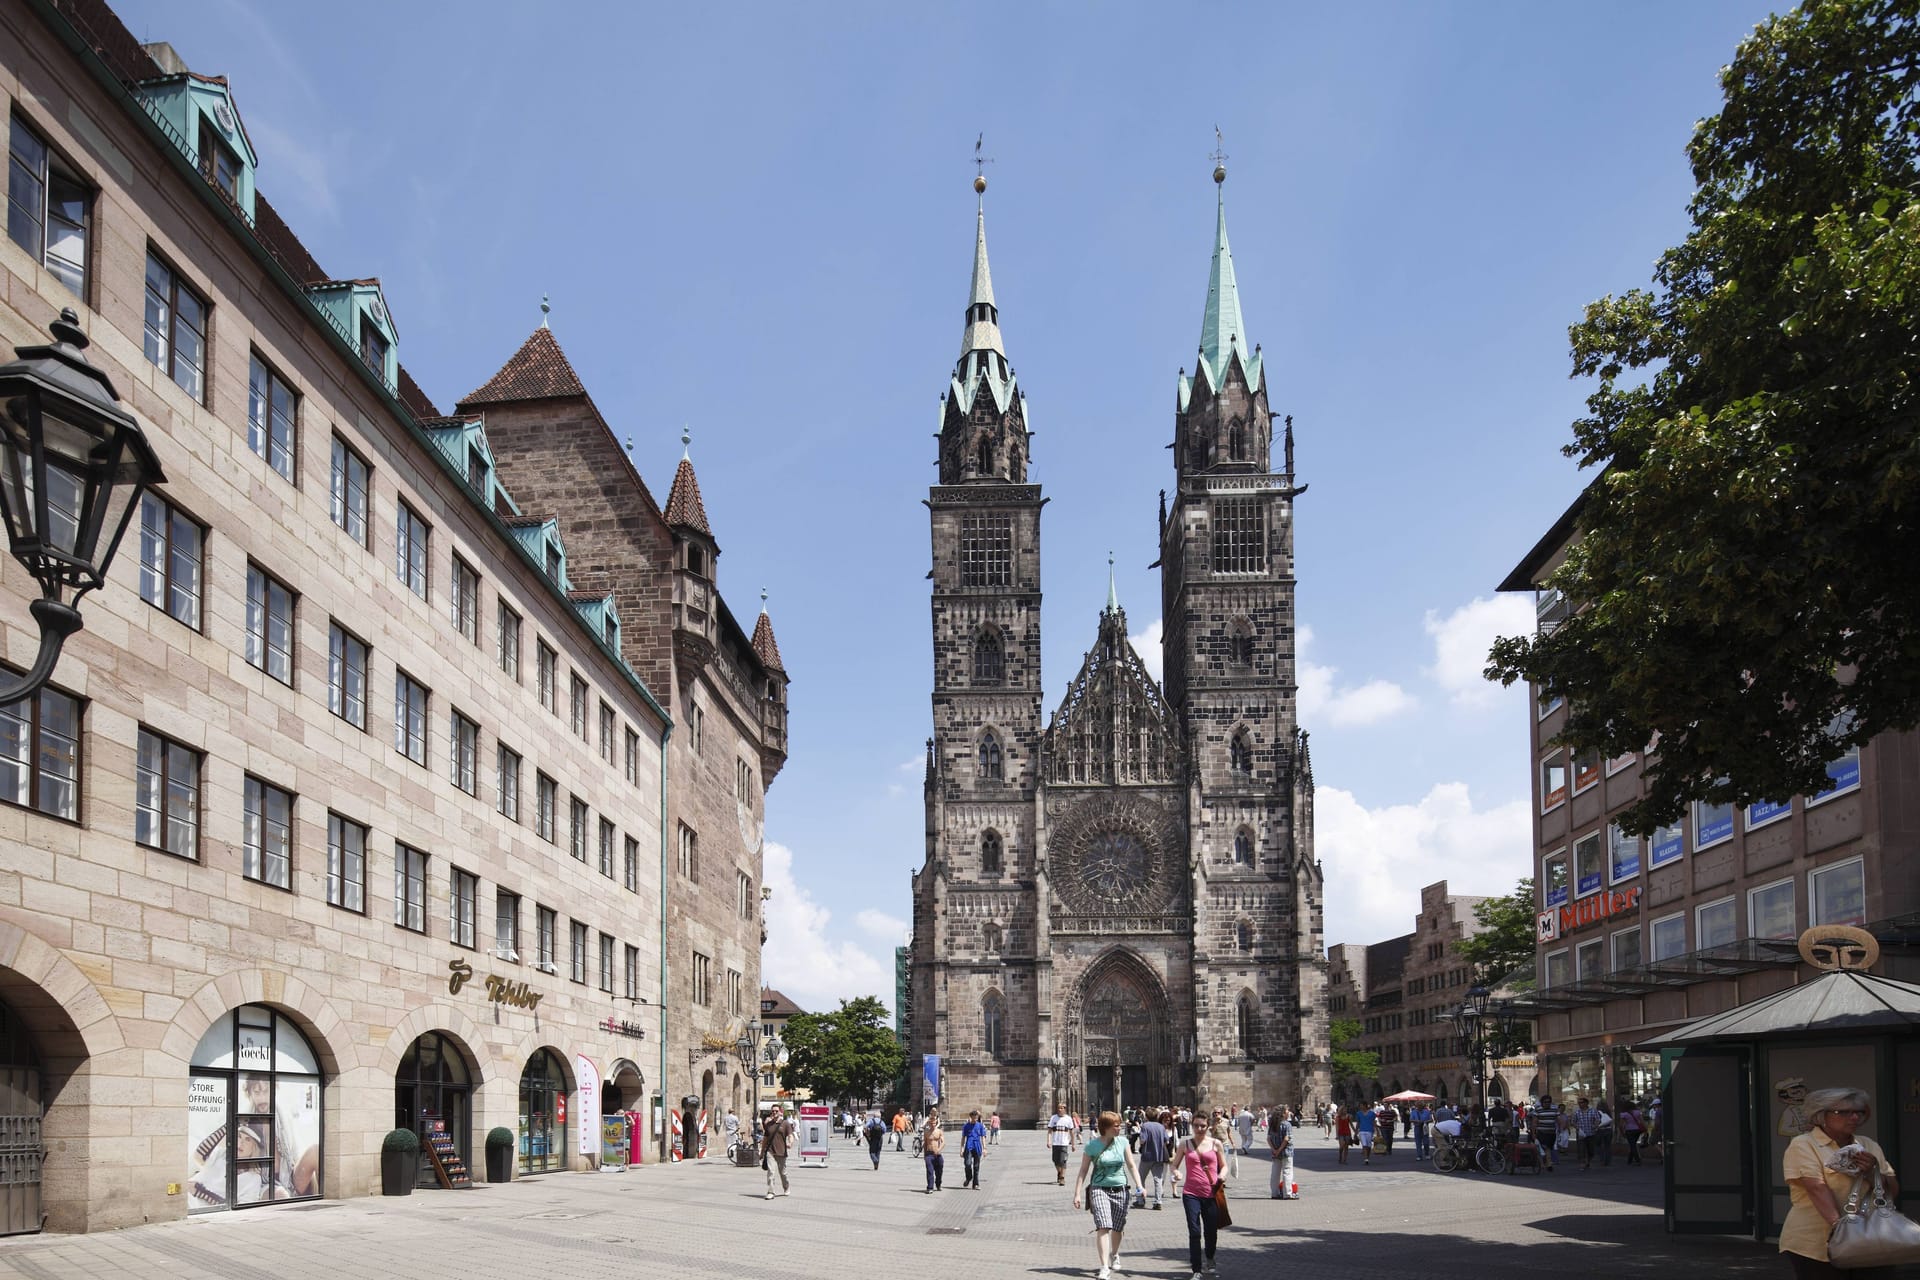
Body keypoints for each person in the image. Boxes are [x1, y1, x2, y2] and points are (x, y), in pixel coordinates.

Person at [1781, 1087, 1901, 1279]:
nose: (1854, 1117)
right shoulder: (1803, 1144)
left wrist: (1872, 1172)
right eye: (1844, 1112)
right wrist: (1842, 1231)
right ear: (1821, 1115)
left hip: (1870, 1241)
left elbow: (1891, 1191)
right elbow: (1816, 1188)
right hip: (1818, 1244)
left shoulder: (1869, 1145)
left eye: (1858, 1112)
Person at [1073, 1111, 1144, 1280]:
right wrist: (1077, 1194)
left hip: (1120, 1189)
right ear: (1106, 1127)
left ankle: (1115, 1253)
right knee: (1103, 1226)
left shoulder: (1123, 1142)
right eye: (1117, 1125)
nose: (1121, 1127)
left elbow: (1132, 1165)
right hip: (1099, 1189)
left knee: (1118, 1227)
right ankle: (1104, 1266)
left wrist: (1140, 1186)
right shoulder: (1092, 1146)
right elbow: (1083, 1171)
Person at [1172, 1109, 1227, 1278]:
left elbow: (1224, 1165)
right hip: (1191, 1193)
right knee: (1194, 1231)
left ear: (1208, 1126)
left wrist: (1221, 1176)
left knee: (1210, 1231)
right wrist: (1177, 1173)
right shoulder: (1185, 1144)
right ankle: (1196, 1269)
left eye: (1203, 1126)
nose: (1199, 1129)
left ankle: (1209, 1257)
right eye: (1196, 1125)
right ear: (1192, 1125)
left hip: (1210, 1193)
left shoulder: (1215, 1144)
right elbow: (1174, 1165)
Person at [1139, 1108, 1173, 1209]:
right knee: (1158, 1179)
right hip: (1159, 1156)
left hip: (1147, 1156)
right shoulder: (1161, 1127)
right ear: (1157, 1116)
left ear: (1147, 1117)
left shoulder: (1145, 1126)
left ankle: (1140, 1200)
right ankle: (1158, 1201)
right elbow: (1167, 1141)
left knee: (1140, 1179)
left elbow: (1142, 1140)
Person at [1570, 1096, 1610, 1171]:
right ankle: (1582, 1163)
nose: (1580, 1104)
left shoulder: (1593, 1111)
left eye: (1582, 1103)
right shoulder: (1577, 1112)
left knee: (1591, 1150)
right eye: (1579, 1103)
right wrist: (1577, 1128)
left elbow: (1597, 1119)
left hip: (1591, 1133)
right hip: (1581, 1135)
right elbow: (1573, 1122)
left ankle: (1588, 1160)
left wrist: (1595, 1125)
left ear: (1586, 1103)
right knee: (1581, 1149)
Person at [762, 1104, 793, 1199]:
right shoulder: (768, 1124)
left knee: (783, 1173)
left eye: (776, 1111)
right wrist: (762, 1151)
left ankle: (786, 1187)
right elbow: (765, 1139)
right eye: (773, 1111)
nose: (774, 1113)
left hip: (781, 1151)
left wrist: (790, 1143)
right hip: (770, 1151)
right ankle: (771, 1192)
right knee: (771, 1172)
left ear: (780, 1112)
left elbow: (790, 1135)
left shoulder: (785, 1123)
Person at [1269, 1104, 1297, 1199]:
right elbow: (1286, 1139)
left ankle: (1274, 1193)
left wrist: (1274, 1150)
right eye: (1287, 1111)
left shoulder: (1272, 1123)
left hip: (1275, 1152)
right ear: (1283, 1113)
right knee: (1287, 1172)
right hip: (1286, 1152)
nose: (1288, 1112)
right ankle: (1287, 1193)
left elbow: (1268, 1139)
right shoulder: (1287, 1124)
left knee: (1275, 1172)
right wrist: (1280, 1149)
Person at [1531, 1095, 1561, 1172]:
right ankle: (1548, 1163)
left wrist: (1560, 1128)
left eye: (1548, 1102)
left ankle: (1545, 1162)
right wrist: (1533, 1133)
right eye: (1545, 1102)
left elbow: (1558, 1119)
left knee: (1548, 1148)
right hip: (1541, 1132)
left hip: (1551, 1132)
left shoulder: (1554, 1109)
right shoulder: (1538, 1110)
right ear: (1542, 1102)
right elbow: (1534, 1122)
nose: (1547, 1104)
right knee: (1545, 1148)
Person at [1048, 1102, 1075, 1186]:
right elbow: (1049, 1131)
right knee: (1055, 1161)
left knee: (1063, 1161)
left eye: (1061, 1108)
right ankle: (1059, 1172)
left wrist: (1073, 1144)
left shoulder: (1068, 1119)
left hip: (1064, 1143)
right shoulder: (1053, 1118)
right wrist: (1048, 1141)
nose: (1059, 1109)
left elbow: (1072, 1132)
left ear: (1065, 1109)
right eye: (1058, 1108)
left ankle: (1062, 1178)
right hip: (1055, 1143)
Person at [960, 1109, 987, 1189]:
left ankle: (976, 1184)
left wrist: (984, 1148)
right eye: (974, 1117)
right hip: (968, 1146)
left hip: (977, 1146)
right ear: (971, 1117)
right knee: (967, 1164)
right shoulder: (966, 1126)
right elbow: (963, 1138)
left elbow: (983, 1137)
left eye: (976, 1117)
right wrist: (961, 1149)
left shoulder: (980, 1125)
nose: (975, 1119)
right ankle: (969, 1178)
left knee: (976, 1166)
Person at [921, 1109, 946, 1192]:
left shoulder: (939, 1131)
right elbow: (925, 1144)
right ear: (929, 1123)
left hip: (937, 1154)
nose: (933, 1125)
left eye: (934, 1123)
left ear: (936, 1123)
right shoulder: (926, 1132)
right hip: (929, 1154)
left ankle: (938, 1184)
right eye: (931, 1123)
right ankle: (930, 1187)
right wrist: (924, 1155)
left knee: (939, 1171)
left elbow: (943, 1142)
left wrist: (939, 1150)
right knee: (930, 1171)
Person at [1618, 1099, 1645, 1165]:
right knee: (1633, 1144)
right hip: (1637, 1130)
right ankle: (1629, 1160)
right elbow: (1642, 1121)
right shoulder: (1637, 1112)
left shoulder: (1623, 1114)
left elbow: (1621, 1125)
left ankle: (1637, 1160)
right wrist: (1645, 1129)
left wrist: (1622, 1132)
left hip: (1629, 1130)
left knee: (1632, 1145)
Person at [1356, 1102, 1376, 1166]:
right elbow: (1358, 1123)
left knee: (1369, 1145)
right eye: (1360, 1106)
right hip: (1362, 1131)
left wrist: (1377, 1130)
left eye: (1362, 1105)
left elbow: (1373, 1122)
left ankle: (1368, 1156)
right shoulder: (1358, 1113)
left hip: (1370, 1130)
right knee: (1364, 1145)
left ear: (1365, 1106)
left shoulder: (1372, 1113)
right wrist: (1356, 1131)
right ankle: (1366, 1159)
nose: (1361, 1107)